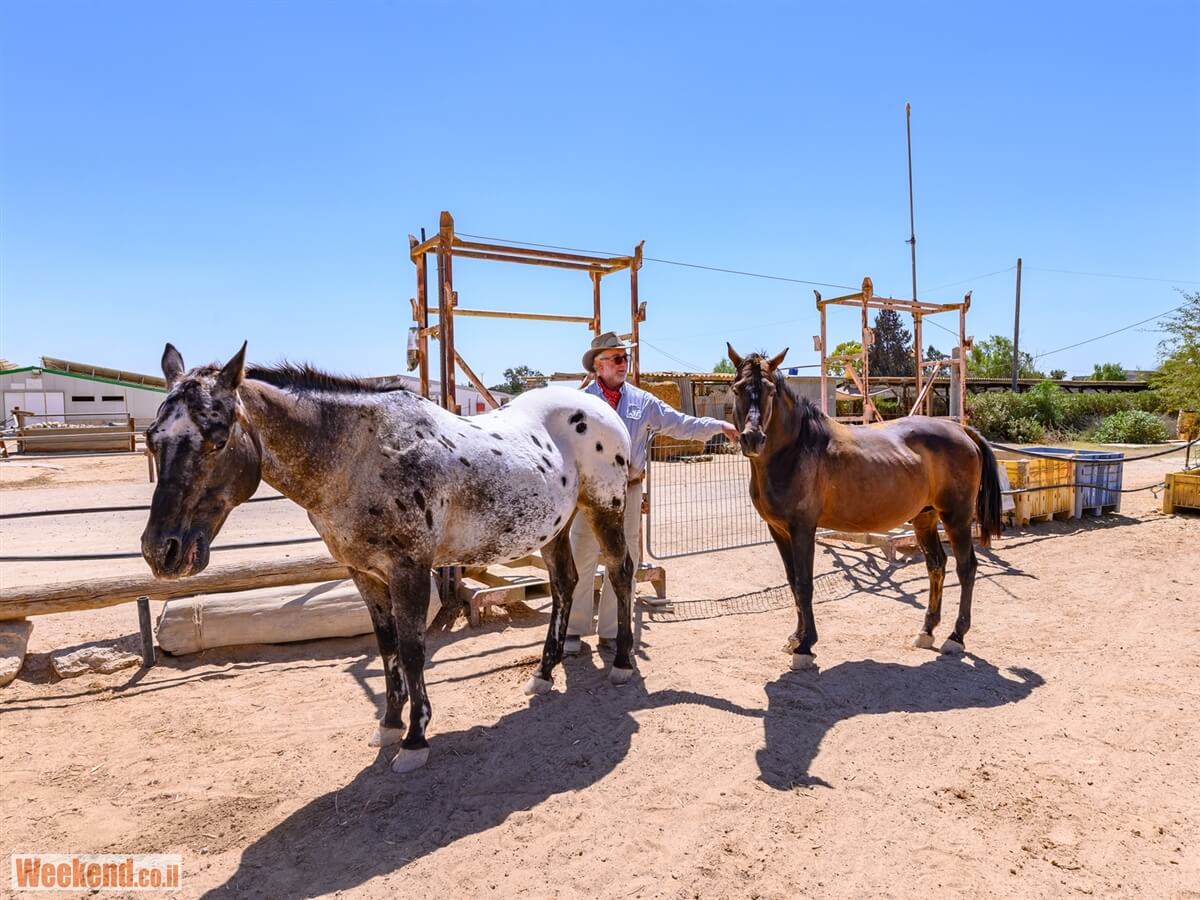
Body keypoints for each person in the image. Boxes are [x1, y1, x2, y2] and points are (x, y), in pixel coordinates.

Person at [564, 332, 739, 655]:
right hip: (589, 495)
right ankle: (573, 629)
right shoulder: (581, 403)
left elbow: (680, 424)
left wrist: (717, 425)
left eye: (624, 358)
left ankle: (613, 630)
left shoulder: (643, 402)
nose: (623, 364)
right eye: (616, 359)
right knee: (582, 556)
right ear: (599, 366)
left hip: (628, 491)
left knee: (624, 560)